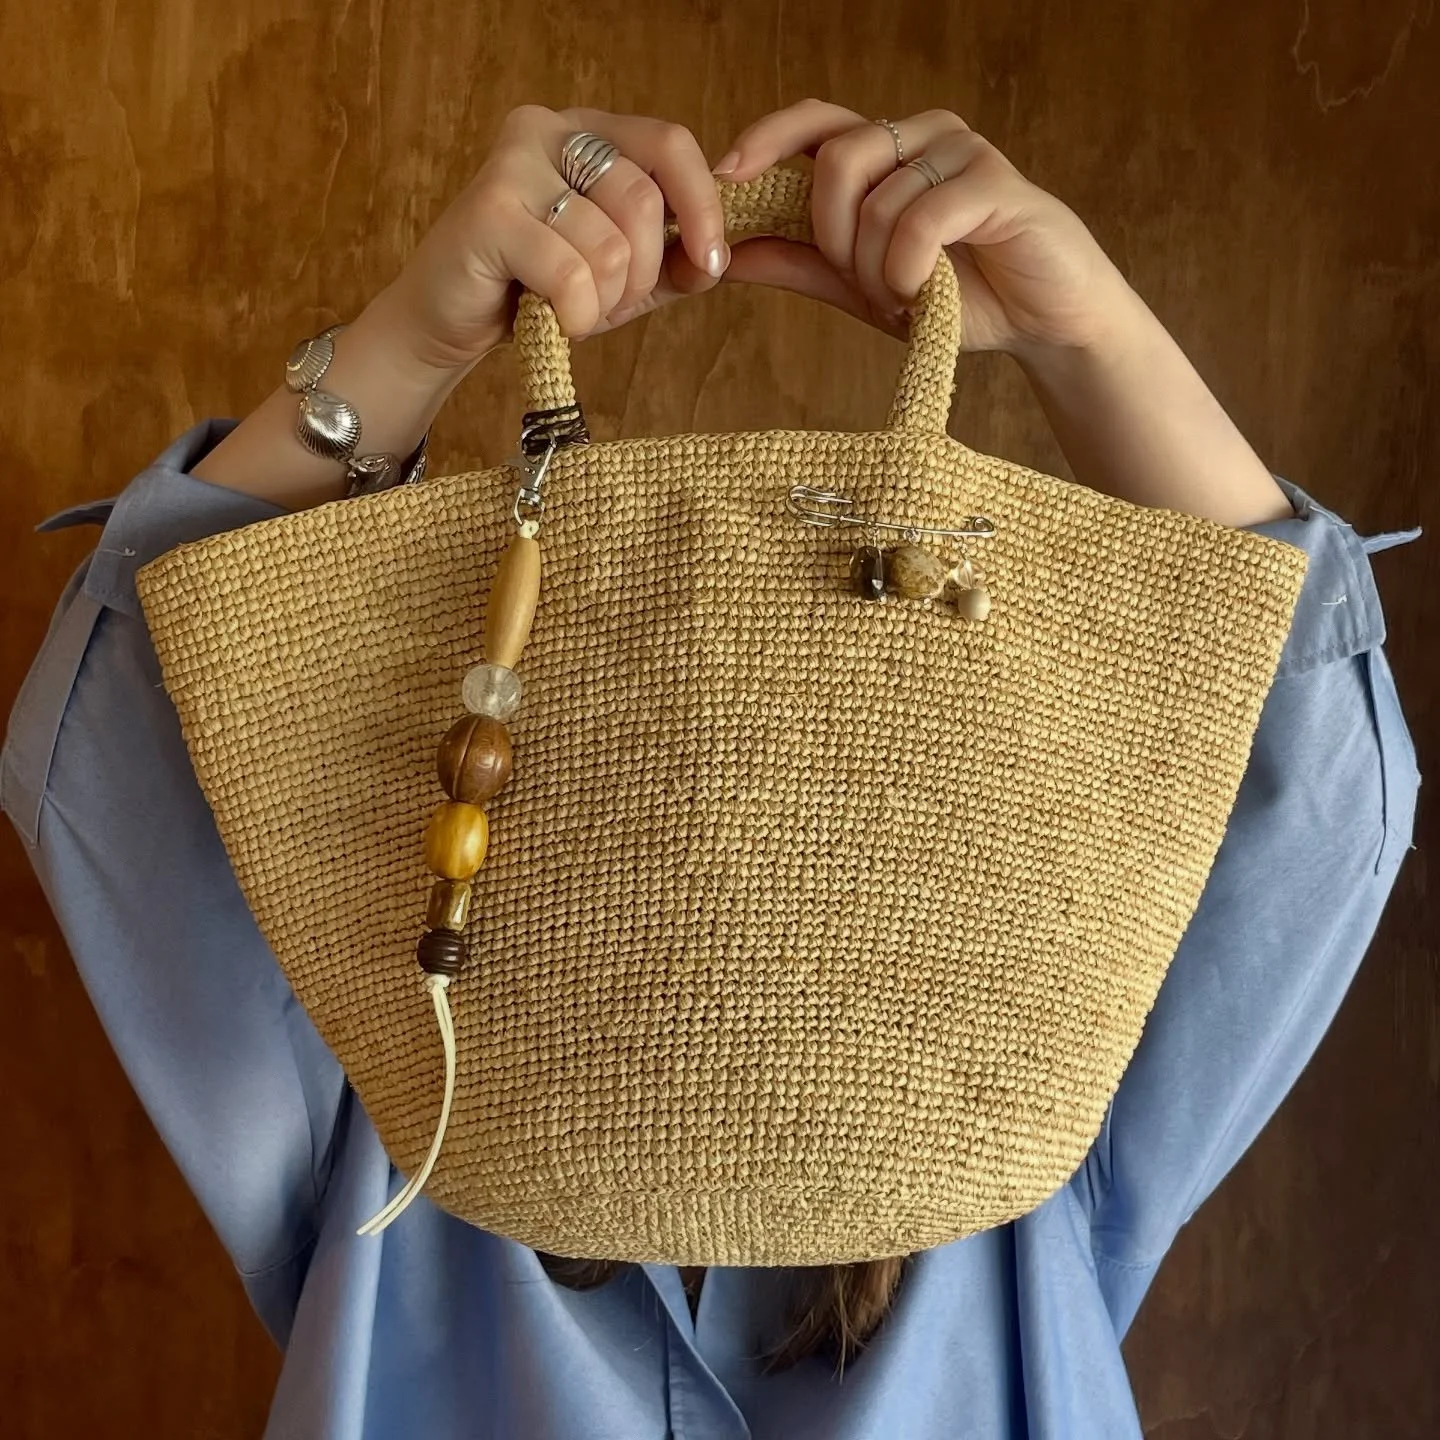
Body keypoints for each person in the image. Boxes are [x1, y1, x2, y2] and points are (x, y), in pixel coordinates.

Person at [1, 98, 1422, 1440]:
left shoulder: (1040, 1036)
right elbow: (132, 748)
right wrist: (406, 345)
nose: (719, 814)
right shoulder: (394, 1029)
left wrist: (1086, 335)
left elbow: (1304, 776)